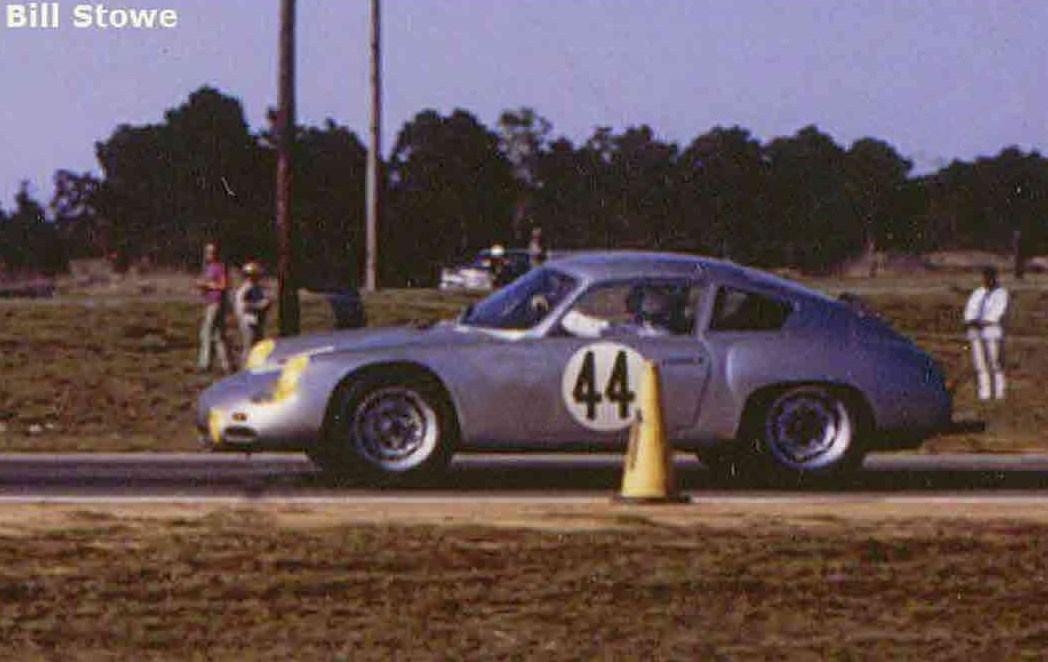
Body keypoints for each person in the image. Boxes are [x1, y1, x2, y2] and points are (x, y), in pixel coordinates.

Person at [964, 266, 1009, 401]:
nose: (986, 280)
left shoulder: (1001, 293)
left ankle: (999, 392)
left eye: (989, 277)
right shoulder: (978, 292)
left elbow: (997, 312)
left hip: (991, 332)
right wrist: (970, 321)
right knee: (980, 364)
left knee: (995, 362)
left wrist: (983, 322)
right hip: (975, 332)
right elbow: (970, 309)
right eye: (984, 277)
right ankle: (985, 393)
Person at [195, 242, 232, 373]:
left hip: (216, 303)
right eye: (207, 252)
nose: (208, 255)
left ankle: (204, 364)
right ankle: (226, 364)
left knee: (206, 332)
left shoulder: (220, 267)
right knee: (218, 335)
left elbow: (223, 285)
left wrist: (207, 285)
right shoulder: (208, 268)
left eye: (211, 252)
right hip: (210, 302)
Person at [233, 261, 271, 364]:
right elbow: (242, 305)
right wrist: (259, 305)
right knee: (249, 346)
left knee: (259, 346)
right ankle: (245, 367)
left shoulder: (257, 288)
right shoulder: (245, 289)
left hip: (257, 320)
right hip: (248, 320)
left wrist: (266, 303)